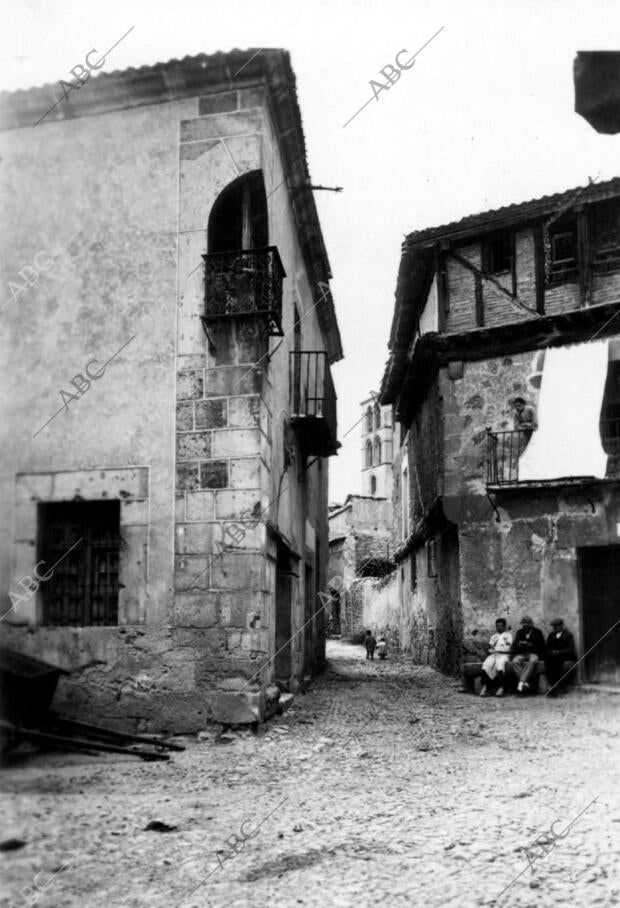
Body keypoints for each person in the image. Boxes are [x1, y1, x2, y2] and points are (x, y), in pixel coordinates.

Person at [510, 615, 547, 693]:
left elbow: (542, 646)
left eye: (526, 625)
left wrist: (530, 645)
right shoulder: (519, 632)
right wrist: (519, 645)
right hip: (522, 653)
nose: (525, 627)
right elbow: (515, 645)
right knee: (514, 661)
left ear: (531, 624)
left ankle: (521, 681)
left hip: (534, 653)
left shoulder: (537, 632)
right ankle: (525, 682)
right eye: (523, 625)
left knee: (533, 661)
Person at [479, 618, 513, 698]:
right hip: (494, 655)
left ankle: (501, 687)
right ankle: (484, 687)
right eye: (497, 626)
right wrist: (491, 651)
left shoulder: (508, 636)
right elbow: (491, 648)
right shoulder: (493, 637)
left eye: (501, 626)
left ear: (504, 627)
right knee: (486, 664)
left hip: (504, 655)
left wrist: (500, 650)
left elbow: (509, 648)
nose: (499, 628)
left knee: (500, 664)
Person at [545, 618, 577, 696]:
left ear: (562, 626)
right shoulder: (551, 635)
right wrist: (551, 652)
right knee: (549, 662)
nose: (555, 628)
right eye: (554, 626)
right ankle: (553, 685)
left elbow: (570, 649)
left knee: (556, 663)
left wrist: (559, 652)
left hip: (565, 656)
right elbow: (547, 647)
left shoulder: (568, 635)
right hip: (553, 657)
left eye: (557, 626)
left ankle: (554, 686)